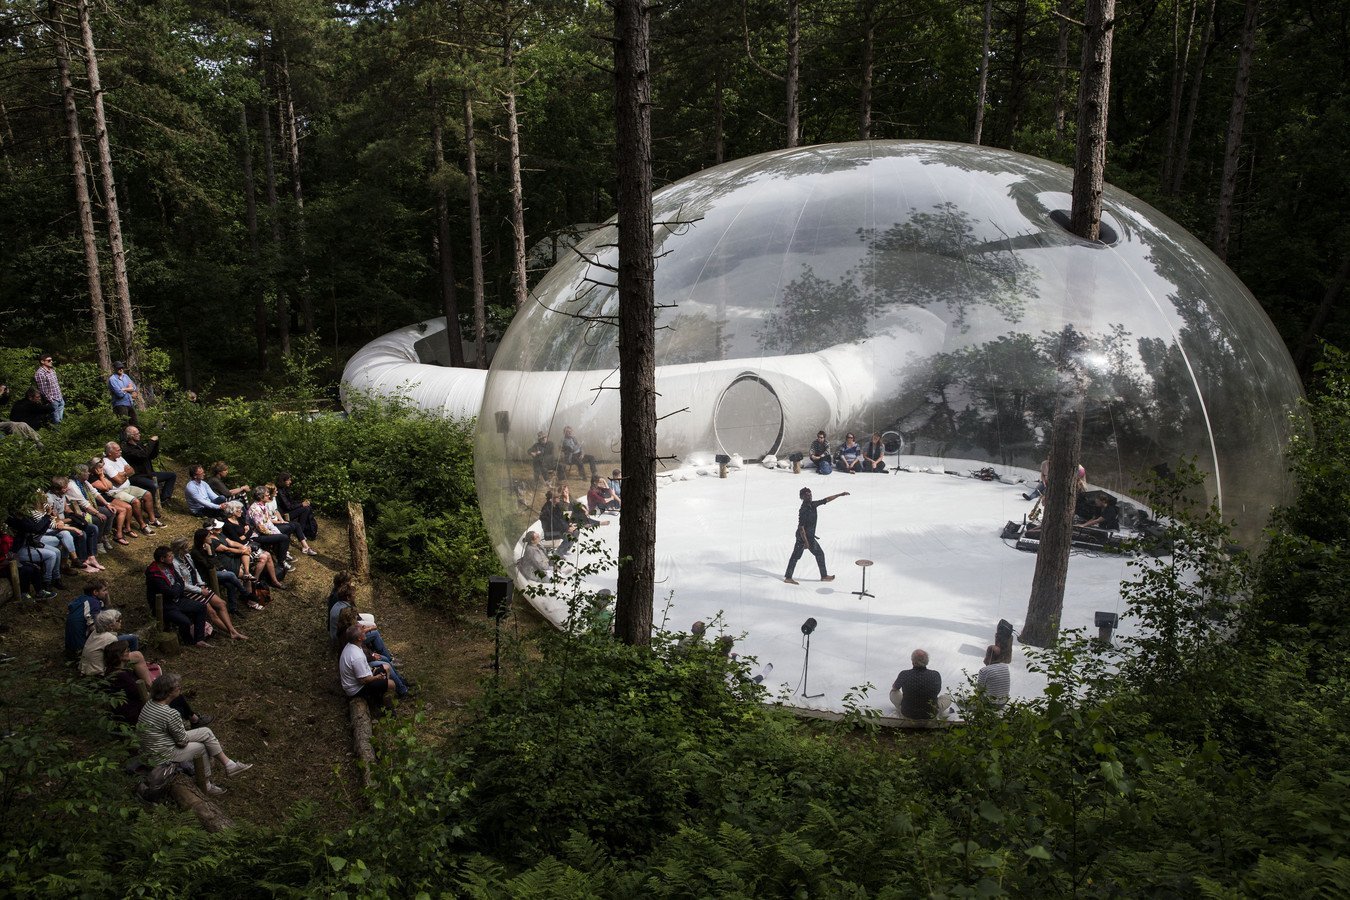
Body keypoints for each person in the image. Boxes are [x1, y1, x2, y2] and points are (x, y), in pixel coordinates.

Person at [137, 673, 251, 795]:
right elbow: (182, 741)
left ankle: (229, 765)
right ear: (169, 692)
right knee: (200, 748)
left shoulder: (150, 704)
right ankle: (206, 785)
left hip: (150, 747)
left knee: (206, 732)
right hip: (161, 755)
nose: (180, 687)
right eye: (177, 686)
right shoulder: (170, 713)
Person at [102, 641, 207, 728]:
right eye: (127, 651)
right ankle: (192, 721)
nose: (130, 653)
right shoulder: (121, 676)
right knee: (175, 698)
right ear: (120, 656)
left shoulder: (115, 671)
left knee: (174, 694)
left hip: (137, 706)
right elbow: (140, 695)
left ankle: (193, 719)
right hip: (136, 713)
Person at [171, 538, 248, 640]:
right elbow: (183, 584)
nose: (187, 548)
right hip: (189, 591)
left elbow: (195, 571)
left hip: (198, 586)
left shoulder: (187, 556)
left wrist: (201, 583)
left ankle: (232, 630)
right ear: (180, 549)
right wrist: (199, 590)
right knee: (211, 612)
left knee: (221, 603)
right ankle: (232, 632)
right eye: (185, 547)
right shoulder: (174, 563)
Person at [145, 546, 211, 648]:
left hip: (178, 599)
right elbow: (169, 592)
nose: (172, 557)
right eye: (170, 556)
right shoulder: (154, 574)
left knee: (201, 607)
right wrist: (178, 587)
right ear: (162, 559)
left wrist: (177, 587)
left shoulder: (170, 566)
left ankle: (199, 639)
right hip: (166, 605)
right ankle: (189, 642)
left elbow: (181, 581)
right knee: (185, 621)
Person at [784, 487, 848, 585]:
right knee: (795, 557)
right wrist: (805, 542)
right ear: (802, 497)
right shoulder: (803, 510)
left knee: (820, 554)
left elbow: (826, 500)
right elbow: (801, 528)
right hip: (802, 537)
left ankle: (824, 576)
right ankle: (788, 577)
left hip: (810, 537)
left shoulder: (813, 504)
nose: (809, 496)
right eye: (807, 495)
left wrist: (839, 495)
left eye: (810, 494)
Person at [79, 608, 155, 683]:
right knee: (138, 656)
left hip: (85, 671)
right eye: (118, 620)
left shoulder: (95, 632)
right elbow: (116, 658)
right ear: (111, 626)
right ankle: (149, 685)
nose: (121, 621)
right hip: (99, 674)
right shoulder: (110, 638)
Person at [90, 455, 156, 536]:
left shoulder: (102, 473)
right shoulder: (92, 477)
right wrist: (102, 476)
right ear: (94, 468)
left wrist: (104, 476)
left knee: (141, 498)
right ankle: (120, 533)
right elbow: (106, 488)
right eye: (100, 467)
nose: (102, 469)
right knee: (128, 506)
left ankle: (128, 528)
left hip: (107, 495)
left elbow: (110, 485)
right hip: (102, 497)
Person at [102, 442, 163, 529]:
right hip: (117, 491)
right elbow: (118, 481)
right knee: (136, 501)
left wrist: (123, 474)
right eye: (118, 450)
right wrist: (126, 473)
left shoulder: (120, 458)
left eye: (120, 449)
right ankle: (142, 525)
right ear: (110, 453)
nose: (120, 451)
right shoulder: (106, 463)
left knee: (148, 494)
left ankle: (152, 520)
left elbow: (132, 471)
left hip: (128, 486)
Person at [192, 526, 251, 613]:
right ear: (203, 539)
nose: (211, 537)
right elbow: (209, 566)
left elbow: (216, 561)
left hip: (216, 571)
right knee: (231, 574)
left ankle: (233, 608)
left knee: (230, 584)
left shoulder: (209, 544)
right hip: (206, 575)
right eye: (208, 536)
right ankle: (245, 593)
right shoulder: (196, 552)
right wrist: (209, 553)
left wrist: (222, 569)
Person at [339, 625, 394, 713]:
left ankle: (379, 696)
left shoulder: (353, 644)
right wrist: (377, 677)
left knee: (386, 667)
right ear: (360, 638)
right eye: (363, 631)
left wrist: (374, 671)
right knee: (391, 684)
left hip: (361, 678)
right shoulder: (356, 656)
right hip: (357, 689)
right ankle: (385, 709)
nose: (365, 631)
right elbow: (363, 680)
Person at [121, 426, 176, 511]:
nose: (139, 435)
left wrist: (156, 444)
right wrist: (151, 441)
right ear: (131, 436)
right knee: (152, 485)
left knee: (172, 475)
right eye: (137, 434)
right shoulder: (127, 449)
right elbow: (144, 455)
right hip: (137, 476)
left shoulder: (139, 445)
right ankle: (152, 509)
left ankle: (165, 498)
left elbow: (151, 455)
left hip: (149, 474)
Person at [889, 648, 951, 719]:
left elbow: (895, 687)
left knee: (893, 692)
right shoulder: (935, 674)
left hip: (907, 714)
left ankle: (902, 708)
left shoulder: (904, 674)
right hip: (931, 714)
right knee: (947, 697)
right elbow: (937, 691)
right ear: (927, 661)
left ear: (913, 661)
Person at [274, 473, 318, 546]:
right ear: (283, 481)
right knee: (305, 509)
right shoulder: (280, 492)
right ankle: (301, 532)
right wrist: (301, 504)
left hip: (288, 511)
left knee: (307, 507)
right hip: (284, 514)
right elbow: (288, 506)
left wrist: (302, 502)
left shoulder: (285, 489)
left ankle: (303, 531)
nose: (290, 482)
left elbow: (291, 502)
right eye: (289, 480)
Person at [33, 353, 63, 424]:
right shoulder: (40, 373)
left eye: (51, 360)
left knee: (60, 420)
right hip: (53, 400)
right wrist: (51, 400)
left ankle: (62, 434)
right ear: (42, 362)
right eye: (49, 360)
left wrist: (61, 397)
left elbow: (56, 384)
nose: (51, 361)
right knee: (56, 421)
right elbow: (43, 390)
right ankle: (56, 434)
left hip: (60, 398)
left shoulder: (52, 370)